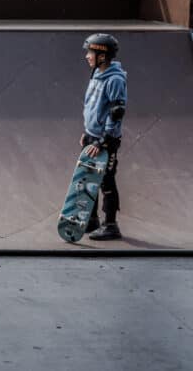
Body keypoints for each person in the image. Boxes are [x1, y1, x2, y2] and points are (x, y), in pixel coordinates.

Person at [80, 33, 128, 241]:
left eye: (90, 52)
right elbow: (94, 107)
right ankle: (92, 220)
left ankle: (111, 225)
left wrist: (103, 142)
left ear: (102, 55)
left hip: (106, 141)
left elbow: (116, 112)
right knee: (89, 177)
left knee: (106, 181)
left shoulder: (115, 79)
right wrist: (88, 133)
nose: (87, 56)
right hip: (93, 137)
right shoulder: (96, 74)